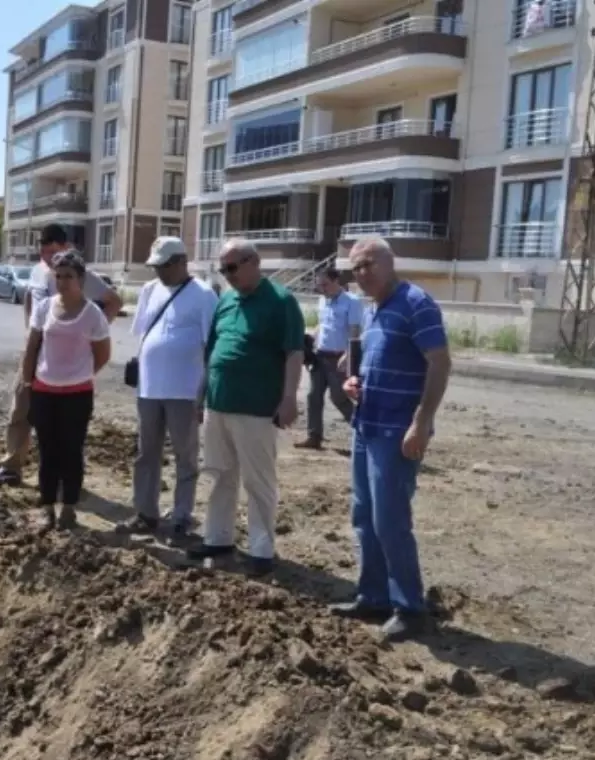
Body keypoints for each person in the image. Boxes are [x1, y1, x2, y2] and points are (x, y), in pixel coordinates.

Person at [331, 237, 452, 642]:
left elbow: (440, 362)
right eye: (355, 268)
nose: (361, 274)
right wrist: (355, 381)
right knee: (363, 516)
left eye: (367, 265)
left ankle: (410, 607)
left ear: (388, 262)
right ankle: (374, 595)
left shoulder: (417, 303)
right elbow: (369, 366)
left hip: (397, 433)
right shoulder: (373, 310)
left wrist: (421, 422)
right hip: (367, 425)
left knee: (390, 520)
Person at [187, 238, 305, 576]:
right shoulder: (225, 301)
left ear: (254, 261)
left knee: (258, 481)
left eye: (233, 267)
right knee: (220, 474)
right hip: (219, 404)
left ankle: (261, 550)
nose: (228, 275)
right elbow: (212, 353)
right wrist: (200, 397)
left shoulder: (281, 301)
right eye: (223, 270)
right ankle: (218, 538)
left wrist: (288, 398)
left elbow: (294, 352)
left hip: (256, 408)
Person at [0, 223, 122, 487]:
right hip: (35, 356)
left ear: (66, 248)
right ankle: (12, 466)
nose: (48, 257)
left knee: (62, 424)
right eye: (44, 251)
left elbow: (114, 301)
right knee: (20, 411)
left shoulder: (80, 275)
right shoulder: (39, 272)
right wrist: (31, 331)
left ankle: (64, 478)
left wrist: (89, 335)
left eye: (53, 251)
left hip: (64, 364)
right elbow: (30, 297)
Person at [122, 236, 218, 539]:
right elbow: (142, 333)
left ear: (181, 262)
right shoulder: (150, 290)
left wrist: (203, 392)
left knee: (185, 456)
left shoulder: (203, 295)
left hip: (185, 390)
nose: (159, 272)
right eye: (155, 266)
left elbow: (210, 347)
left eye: (164, 266)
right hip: (149, 388)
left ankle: (180, 515)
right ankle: (145, 512)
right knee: (146, 453)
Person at [19, 249, 112, 530]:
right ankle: (46, 507)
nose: (62, 282)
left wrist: (80, 375)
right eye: (58, 276)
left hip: (77, 395)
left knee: (72, 451)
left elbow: (103, 354)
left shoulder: (92, 313)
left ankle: (69, 508)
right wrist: (27, 383)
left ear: (81, 279)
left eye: (68, 276)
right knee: (48, 451)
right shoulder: (45, 307)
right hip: (44, 391)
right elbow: (32, 347)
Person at [296, 266, 362, 451]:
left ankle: (364, 431)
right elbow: (323, 324)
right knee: (313, 396)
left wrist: (349, 355)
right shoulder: (322, 301)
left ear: (336, 281)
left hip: (338, 357)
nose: (322, 288)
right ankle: (314, 436)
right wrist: (311, 338)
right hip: (320, 356)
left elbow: (355, 332)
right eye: (319, 285)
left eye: (325, 284)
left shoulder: (352, 302)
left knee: (339, 397)